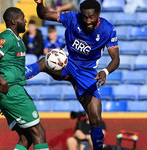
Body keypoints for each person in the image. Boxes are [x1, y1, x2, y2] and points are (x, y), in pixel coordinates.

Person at [26, 0, 120, 149]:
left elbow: (116, 59)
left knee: (95, 118)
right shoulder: (72, 17)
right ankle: (17, 76)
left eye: (92, 17)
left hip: (87, 74)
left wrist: (105, 71)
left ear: (98, 15)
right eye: (85, 17)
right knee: (45, 61)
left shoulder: (108, 30)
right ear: (81, 15)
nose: (88, 21)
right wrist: (40, 3)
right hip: (66, 63)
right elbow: (43, 14)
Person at [0, 7, 49, 150]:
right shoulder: (7, 37)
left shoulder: (17, 39)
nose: (25, 21)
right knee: (39, 133)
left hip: (11, 93)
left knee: (26, 137)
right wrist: (3, 83)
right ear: (14, 21)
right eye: (22, 18)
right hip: (13, 92)